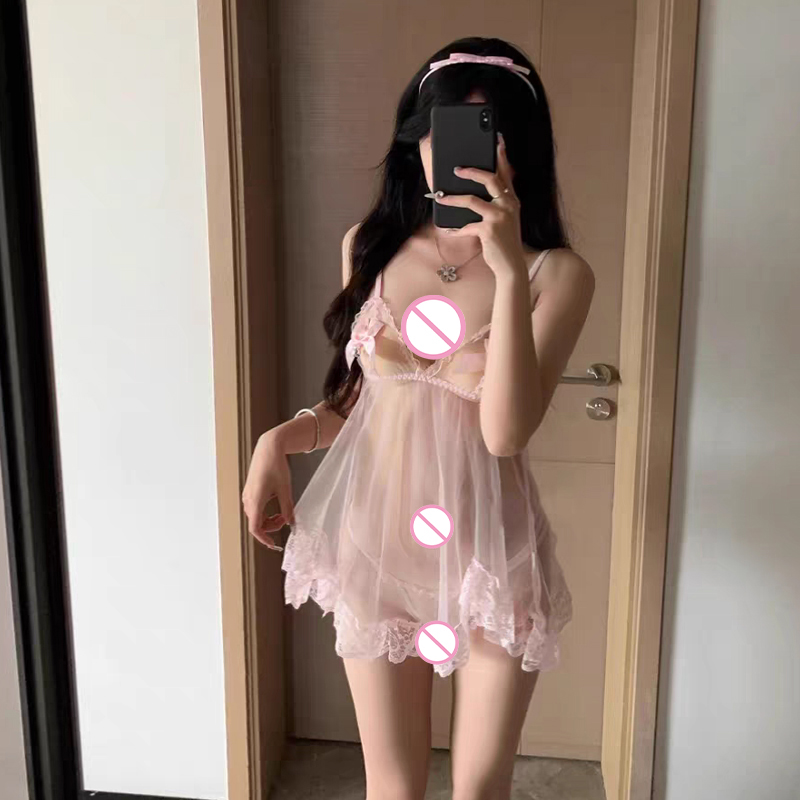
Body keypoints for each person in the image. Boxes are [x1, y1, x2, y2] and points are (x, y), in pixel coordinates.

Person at [242, 36, 595, 800]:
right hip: (378, 547)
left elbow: (504, 432)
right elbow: (363, 401)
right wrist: (279, 439)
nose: (465, 152)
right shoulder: (368, 248)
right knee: (393, 789)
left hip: (489, 560)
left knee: (478, 791)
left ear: (521, 148)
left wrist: (506, 271)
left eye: (492, 131)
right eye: (446, 127)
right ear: (417, 136)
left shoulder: (555, 274)